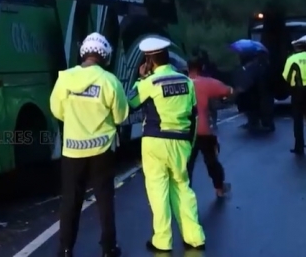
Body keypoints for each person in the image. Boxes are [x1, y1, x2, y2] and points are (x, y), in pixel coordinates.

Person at [50, 32, 127, 257]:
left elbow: (56, 110)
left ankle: (65, 249)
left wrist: (75, 120)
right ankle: (108, 249)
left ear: (83, 53)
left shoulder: (65, 78)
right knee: (104, 200)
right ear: (105, 56)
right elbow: (121, 116)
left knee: (70, 201)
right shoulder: (109, 80)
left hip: (72, 150)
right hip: (102, 151)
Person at [128, 36, 205, 253]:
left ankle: (162, 241)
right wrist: (189, 146)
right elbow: (194, 116)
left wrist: (140, 79)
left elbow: (130, 103)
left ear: (149, 61)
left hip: (155, 142)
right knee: (183, 188)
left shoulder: (149, 83)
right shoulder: (186, 81)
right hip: (181, 143)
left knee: (158, 191)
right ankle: (195, 237)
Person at [186, 59, 232, 198]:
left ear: (188, 68)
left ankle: (184, 194)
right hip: (203, 130)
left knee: (187, 165)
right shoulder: (207, 83)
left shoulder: (181, 83)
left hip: (185, 131)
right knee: (211, 161)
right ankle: (219, 188)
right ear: (202, 67)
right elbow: (228, 90)